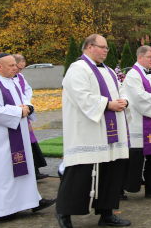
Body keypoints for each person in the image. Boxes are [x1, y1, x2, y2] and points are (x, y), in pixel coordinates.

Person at [56, 34, 130, 228]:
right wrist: (108, 104)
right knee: (79, 174)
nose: (106, 50)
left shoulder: (108, 70)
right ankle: (64, 213)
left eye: (107, 47)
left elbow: (120, 90)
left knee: (111, 172)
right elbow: (82, 96)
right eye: (102, 47)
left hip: (110, 131)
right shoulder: (77, 69)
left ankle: (107, 213)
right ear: (89, 47)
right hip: (87, 131)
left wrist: (124, 101)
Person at [0, 53, 55, 219]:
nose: (16, 67)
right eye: (11, 65)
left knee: (22, 170)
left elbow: (25, 99)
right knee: (3, 174)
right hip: (1, 140)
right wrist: (20, 111)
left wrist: (28, 108)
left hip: (19, 134)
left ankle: (29, 202)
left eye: (15, 64)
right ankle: (1, 210)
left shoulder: (14, 81)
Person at [120, 45, 151, 199]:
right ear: (140, 57)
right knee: (134, 158)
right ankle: (122, 188)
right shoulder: (133, 75)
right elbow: (138, 97)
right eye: (149, 57)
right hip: (139, 124)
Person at [13, 54, 48, 180]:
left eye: (22, 68)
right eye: (18, 67)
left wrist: (27, 103)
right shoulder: (7, 79)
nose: (19, 70)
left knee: (31, 142)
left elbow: (28, 91)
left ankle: (35, 170)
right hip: (15, 114)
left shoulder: (20, 77)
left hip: (24, 112)